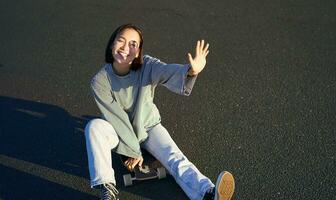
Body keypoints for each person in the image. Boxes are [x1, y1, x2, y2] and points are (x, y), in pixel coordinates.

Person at [84, 23, 235, 200]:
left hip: (148, 127)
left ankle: (207, 193)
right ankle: (107, 190)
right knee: (94, 127)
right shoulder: (100, 81)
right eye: (121, 41)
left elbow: (166, 70)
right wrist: (132, 151)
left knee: (175, 157)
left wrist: (191, 71)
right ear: (112, 44)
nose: (126, 48)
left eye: (133, 44)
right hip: (118, 131)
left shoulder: (147, 65)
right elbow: (117, 118)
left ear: (139, 51)